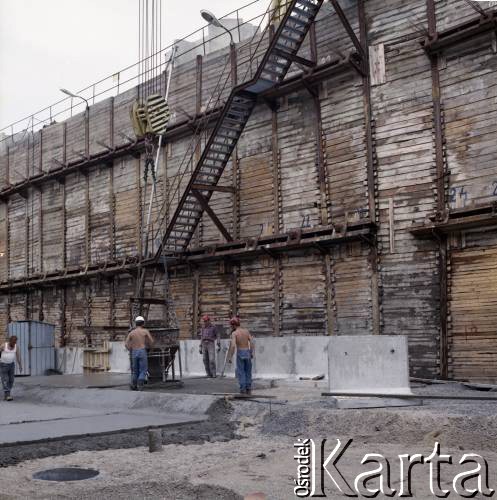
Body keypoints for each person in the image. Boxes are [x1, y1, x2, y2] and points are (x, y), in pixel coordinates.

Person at [125, 316, 154, 391]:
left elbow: (126, 344)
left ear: (136, 323)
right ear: (143, 323)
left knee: (135, 370)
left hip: (134, 352)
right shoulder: (145, 331)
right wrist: (151, 349)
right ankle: (140, 385)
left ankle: (133, 385)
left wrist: (130, 349)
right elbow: (151, 341)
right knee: (143, 370)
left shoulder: (131, 332)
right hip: (142, 351)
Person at [227, 317, 254, 395]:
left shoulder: (234, 333)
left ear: (233, 325)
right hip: (247, 352)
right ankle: (248, 388)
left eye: (231, 326)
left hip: (240, 352)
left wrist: (230, 357)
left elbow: (232, 346)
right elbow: (252, 342)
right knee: (248, 371)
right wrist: (251, 352)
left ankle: (243, 389)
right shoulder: (246, 331)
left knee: (241, 372)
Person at [0, 335, 22, 401]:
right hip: (3, 364)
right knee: (5, 379)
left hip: (11, 365)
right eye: (13, 342)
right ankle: (7, 395)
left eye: (15, 342)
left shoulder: (16, 347)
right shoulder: (4, 345)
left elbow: (18, 356)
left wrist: (20, 365)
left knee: (11, 380)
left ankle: (7, 394)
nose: (14, 343)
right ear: (10, 341)